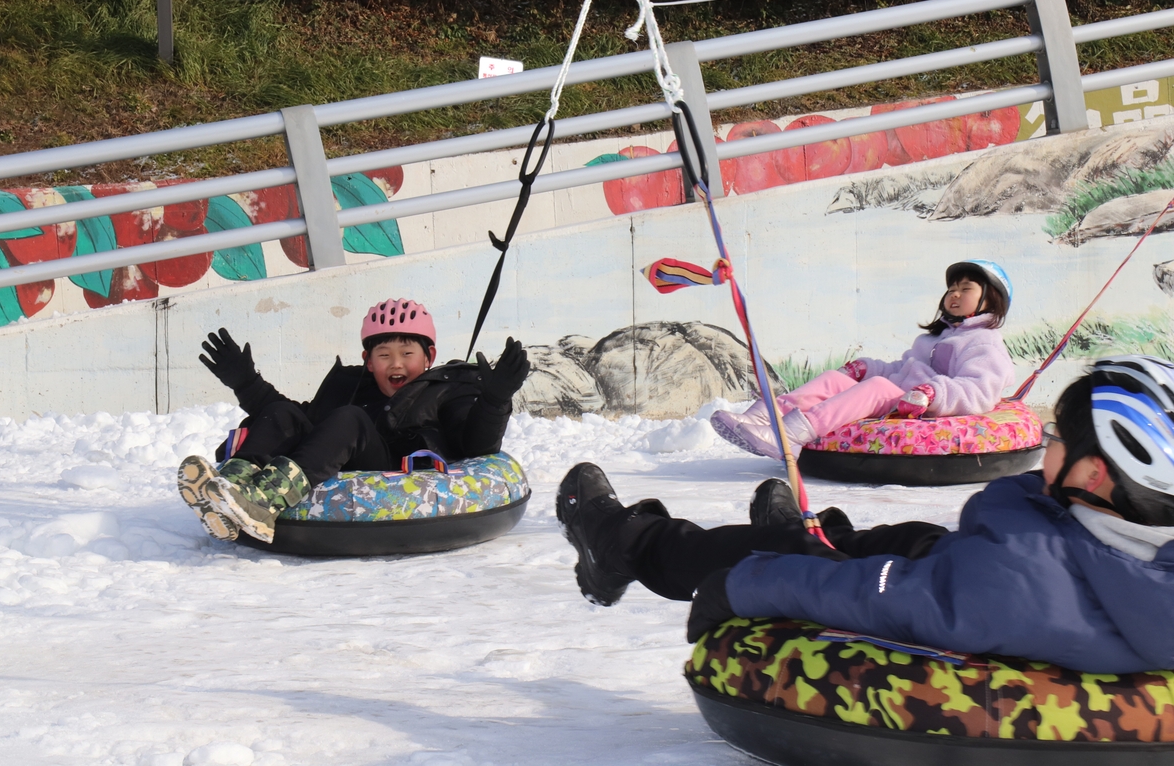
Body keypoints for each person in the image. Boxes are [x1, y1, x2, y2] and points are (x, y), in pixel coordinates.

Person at [557, 355, 1174, 674]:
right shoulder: (1129, 534)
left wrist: (745, 586)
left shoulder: (1019, 581)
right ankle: (799, 532)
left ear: (1095, 474)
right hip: (984, 561)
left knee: (787, 561)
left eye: (1058, 437)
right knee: (899, 537)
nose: (1045, 440)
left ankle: (625, 545)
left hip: (960, 587)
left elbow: (882, 597)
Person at [178, 298, 530, 544]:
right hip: (342, 456)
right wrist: (245, 382)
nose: (396, 364)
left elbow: (477, 445)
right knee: (282, 413)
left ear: (428, 358)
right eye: (384, 355)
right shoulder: (350, 388)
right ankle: (231, 489)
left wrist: (495, 399)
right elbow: (299, 420)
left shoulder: (447, 389)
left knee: (351, 420)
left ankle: (263, 502)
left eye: (407, 354)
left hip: (394, 469)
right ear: (368, 360)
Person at [712, 260, 1015, 459]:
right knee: (836, 379)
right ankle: (764, 416)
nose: (954, 295)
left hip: (926, 407)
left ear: (990, 299)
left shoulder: (984, 342)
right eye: (951, 289)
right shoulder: (937, 337)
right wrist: (868, 367)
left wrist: (934, 393)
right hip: (906, 392)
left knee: (878, 388)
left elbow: (979, 390)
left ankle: (790, 435)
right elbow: (904, 369)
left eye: (966, 289)